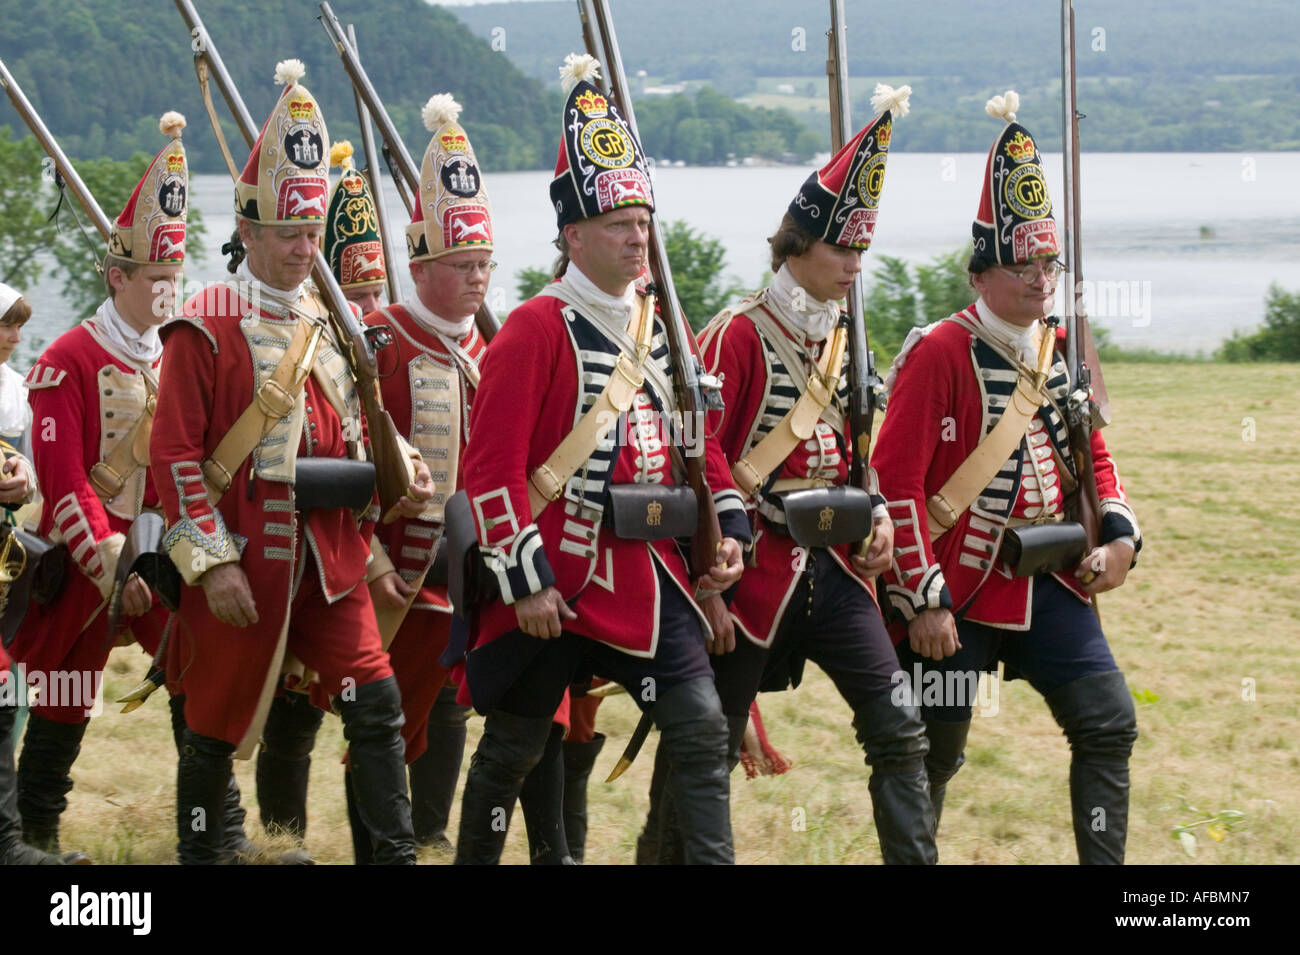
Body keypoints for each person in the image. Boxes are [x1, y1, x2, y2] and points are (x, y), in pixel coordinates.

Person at [453, 54, 749, 865]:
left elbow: (701, 444)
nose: (637, 235)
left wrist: (727, 525)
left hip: (648, 574)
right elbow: (490, 471)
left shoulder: (661, 324)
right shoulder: (535, 329)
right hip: (557, 575)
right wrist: (525, 577)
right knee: (511, 751)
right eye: (619, 223)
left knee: (696, 726)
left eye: (642, 220)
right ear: (573, 234)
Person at [644, 86, 937, 866]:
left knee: (899, 727)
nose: (854, 267)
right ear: (798, 243)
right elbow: (697, 454)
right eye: (843, 250)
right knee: (701, 746)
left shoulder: (848, 341)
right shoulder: (738, 334)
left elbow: (857, 459)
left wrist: (874, 515)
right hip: (752, 570)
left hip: (835, 570)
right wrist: (710, 574)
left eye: (861, 252)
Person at [150, 60, 432, 865]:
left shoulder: (329, 321)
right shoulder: (202, 323)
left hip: (331, 558)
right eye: (288, 236)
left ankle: (393, 857)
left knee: (375, 701)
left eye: (312, 235)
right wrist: (211, 563)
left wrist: (391, 492)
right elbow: (173, 455)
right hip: (243, 553)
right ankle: (205, 854)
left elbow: (345, 436)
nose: (306, 250)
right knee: (211, 721)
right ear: (249, 234)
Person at [872, 92, 1141, 864]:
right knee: (934, 753)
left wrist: (1121, 535)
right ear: (983, 270)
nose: (1041, 278)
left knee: (1108, 721)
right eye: (1025, 263)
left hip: (1050, 581)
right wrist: (920, 599)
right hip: (955, 594)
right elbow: (894, 483)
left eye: (1049, 262)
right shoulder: (939, 352)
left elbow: (1096, 458)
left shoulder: (1060, 346)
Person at [8, 117, 191, 857]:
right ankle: (36, 832)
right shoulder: (67, 359)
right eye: (155, 281)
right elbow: (61, 489)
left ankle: (215, 832)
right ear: (118, 278)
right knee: (62, 695)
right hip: (87, 564)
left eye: (175, 279)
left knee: (195, 673)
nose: (167, 292)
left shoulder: (181, 356)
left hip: (155, 556)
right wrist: (115, 564)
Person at [348, 95, 489, 860]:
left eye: (483, 266)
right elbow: (348, 454)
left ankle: (427, 839)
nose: (477, 280)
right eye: (463, 266)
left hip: (465, 577)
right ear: (422, 266)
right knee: (381, 715)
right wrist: (369, 562)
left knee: (450, 710)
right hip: (391, 576)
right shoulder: (381, 344)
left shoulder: (492, 350)